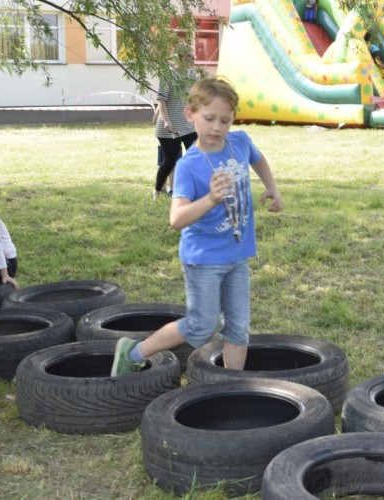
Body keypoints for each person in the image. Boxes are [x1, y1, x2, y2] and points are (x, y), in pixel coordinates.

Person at [112, 77, 283, 376]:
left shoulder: (240, 143)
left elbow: (258, 159)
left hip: (238, 255)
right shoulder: (189, 165)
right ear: (190, 114)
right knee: (201, 325)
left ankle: (231, 383)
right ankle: (133, 352)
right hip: (204, 258)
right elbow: (177, 219)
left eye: (225, 120)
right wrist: (211, 199)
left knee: (239, 327)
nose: (217, 127)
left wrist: (272, 187)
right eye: (209, 118)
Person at [153, 48, 198, 199]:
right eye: (189, 57)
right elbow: (161, 100)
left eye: (193, 57)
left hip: (189, 126)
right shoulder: (169, 75)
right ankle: (157, 190)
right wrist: (166, 121)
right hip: (169, 128)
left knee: (195, 157)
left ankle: (189, 190)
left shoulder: (193, 75)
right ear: (180, 57)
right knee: (170, 161)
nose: (192, 60)